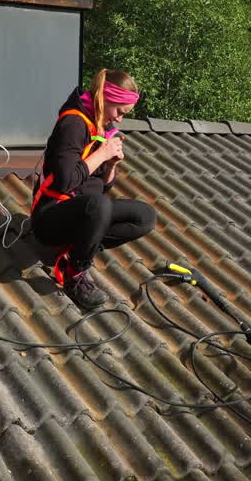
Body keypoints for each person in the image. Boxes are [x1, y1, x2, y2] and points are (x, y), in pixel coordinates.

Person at [31, 69, 157, 309]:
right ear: (104, 98)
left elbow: (101, 187)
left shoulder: (102, 128)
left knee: (145, 216)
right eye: (119, 111)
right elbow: (65, 181)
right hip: (50, 217)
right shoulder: (73, 123)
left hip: (84, 212)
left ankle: (79, 251)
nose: (120, 119)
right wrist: (102, 154)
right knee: (99, 205)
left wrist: (110, 166)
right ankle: (75, 274)